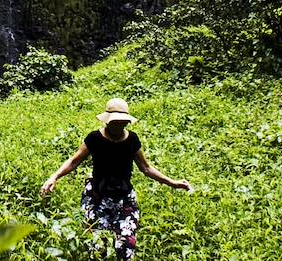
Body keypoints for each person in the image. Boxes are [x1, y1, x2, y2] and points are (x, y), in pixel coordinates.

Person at [40, 98, 191, 259]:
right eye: (116, 122)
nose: (119, 126)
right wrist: (54, 177)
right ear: (107, 121)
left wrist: (172, 183)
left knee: (125, 247)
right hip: (97, 196)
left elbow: (146, 168)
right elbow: (74, 161)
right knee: (98, 247)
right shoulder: (95, 139)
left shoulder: (132, 140)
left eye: (123, 122)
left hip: (124, 198)